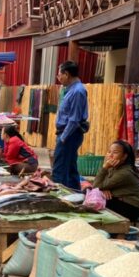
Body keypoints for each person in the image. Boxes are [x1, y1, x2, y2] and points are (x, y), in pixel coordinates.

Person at [53, 61, 89, 190]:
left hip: (70, 134)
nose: (59, 78)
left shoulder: (77, 91)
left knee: (60, 169)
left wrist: (63, 138)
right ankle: (76, 194)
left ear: (66, 74)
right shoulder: (70, 90)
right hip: (67, 134)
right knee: (70, 167)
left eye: (59, 75)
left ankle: (58, 198)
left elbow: (74, 119)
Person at [91, 140, 139, 223]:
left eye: (115, 152)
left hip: (129, 209)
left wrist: (104, 168)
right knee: (91, 195)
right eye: (109, 152)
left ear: (124, 156)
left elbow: (96, 186)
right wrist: (103, 189)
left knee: (92, 197)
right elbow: (100, 185)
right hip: (118, 201)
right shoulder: (114, 167)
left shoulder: (125, 173)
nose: (110, 155)